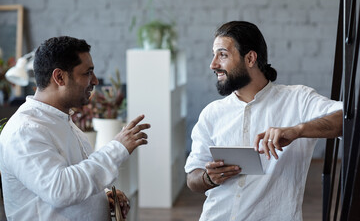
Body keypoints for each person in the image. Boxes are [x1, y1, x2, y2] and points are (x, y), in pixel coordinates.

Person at [185, 21, 343, 221]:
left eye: (223, 55)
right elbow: (192, 178)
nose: (213, 64)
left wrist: (297, 130)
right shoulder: (212, 113)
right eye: (214, 54)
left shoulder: (298, 100)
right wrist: (208, 178)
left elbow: (349, 119)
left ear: (250, 58)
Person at [0, 36, 151, 220]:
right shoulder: (24, 131)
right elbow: (60, 190)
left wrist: (101, 197)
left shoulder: (61, 120)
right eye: (87, 73)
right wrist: (117, 148)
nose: (95, 80)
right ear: (60, 77)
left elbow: (72, 180)